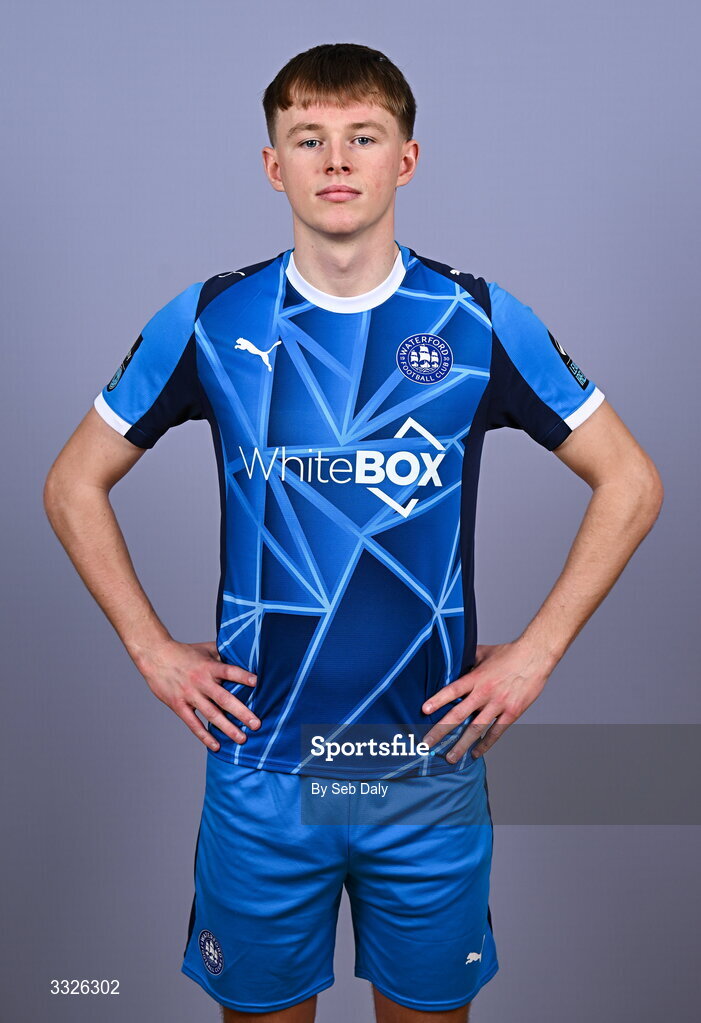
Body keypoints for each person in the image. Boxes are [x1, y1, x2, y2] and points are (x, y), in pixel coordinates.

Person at [43, 41, 663, 1023]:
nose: (336, 161)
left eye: (361, 137)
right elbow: (74, 483)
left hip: (421, 773)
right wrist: (150, 650)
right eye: (309, 138)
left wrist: (534, 655)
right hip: (263, 776)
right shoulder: (210, 320)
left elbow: (628, 482)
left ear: (404, 159)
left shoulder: (477, 320)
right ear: (272, 164)